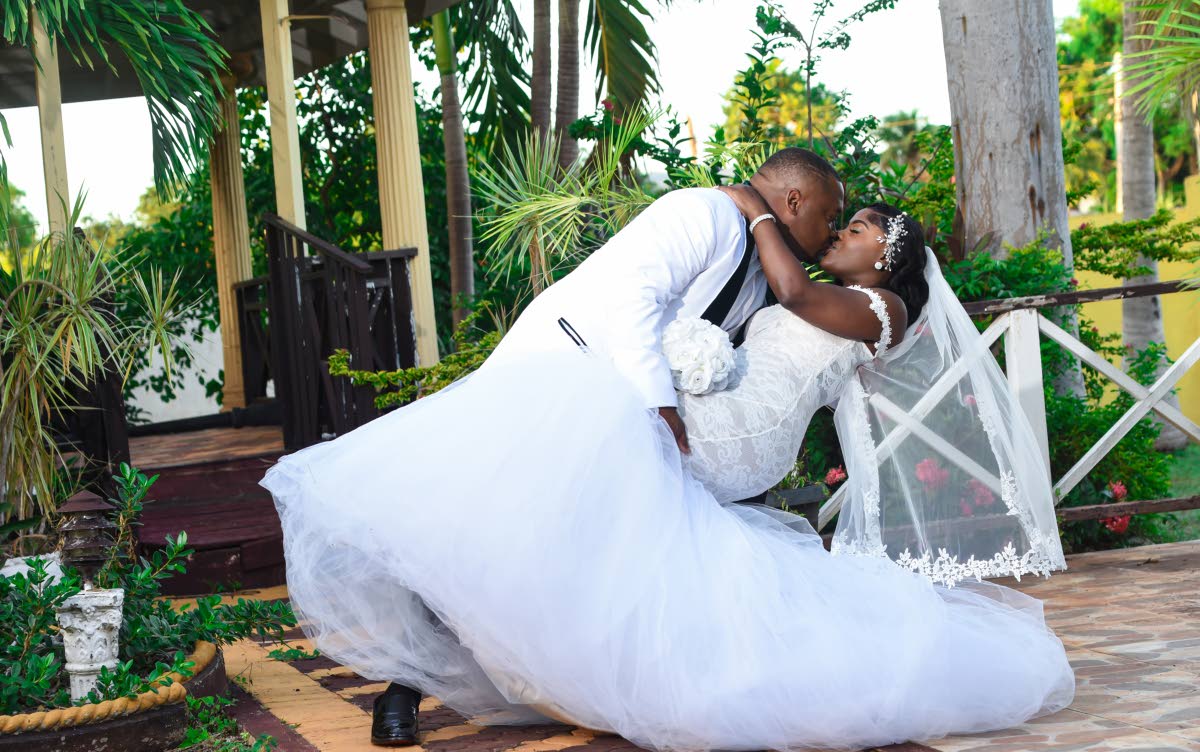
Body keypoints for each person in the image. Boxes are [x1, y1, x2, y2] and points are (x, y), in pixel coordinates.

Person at [262, 154, 1075, 751]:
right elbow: (631, 301)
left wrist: (758, 224)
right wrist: (661, 392)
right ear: (794, 198)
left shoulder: (820, 280)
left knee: (534, 541)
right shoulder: (701, 214)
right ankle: (408, 682)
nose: (832, 228)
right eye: (829, 216)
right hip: (577, 378)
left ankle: (471, 678)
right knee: (497, 532)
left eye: (849, 226)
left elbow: (763, 316)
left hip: (679, 420)